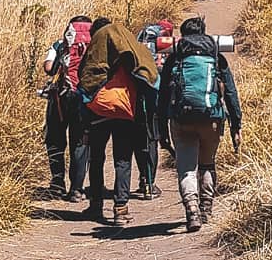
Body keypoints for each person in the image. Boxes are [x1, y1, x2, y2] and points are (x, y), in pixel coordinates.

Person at [157, 17, 242, 233]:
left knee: (186, 168)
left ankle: (192, 210)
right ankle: (206, 208)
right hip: (211, 118)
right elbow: (230, 93)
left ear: (182, 35)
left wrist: (161, 130)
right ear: (204, 33)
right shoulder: (215, 56)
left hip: (181, 120)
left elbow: (164, 95)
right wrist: (236, 125)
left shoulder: (175, 58)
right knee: (207, 164)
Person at [78, 17, 159, 226]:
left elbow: (84, 79)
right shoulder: (132, 50)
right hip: (126, 110)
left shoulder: (95, 51)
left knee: (96, 159)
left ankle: (96, 205)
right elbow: (148, 76)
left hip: (99, 110)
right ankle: (120, 209)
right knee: (122, 160)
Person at [41, 15, 92, 202]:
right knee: (79, 143)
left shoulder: (59, 45)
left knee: (55, 140)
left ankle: (57, 183)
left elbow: (49, 68)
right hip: (83, 99)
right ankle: (77, 189)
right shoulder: (94, 46)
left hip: (59, 100)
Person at [134, 19, 175, 199]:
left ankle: (144, 177)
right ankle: (149, 183)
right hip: (158, 99)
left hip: (138, 97)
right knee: (152, 140)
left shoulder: (139, 42)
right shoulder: (167, 44)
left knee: (139, 139)